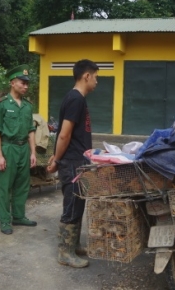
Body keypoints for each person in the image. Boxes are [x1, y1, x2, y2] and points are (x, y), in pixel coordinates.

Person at [47, 59, 99, 268]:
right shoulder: (75, 99)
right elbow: (64, 135)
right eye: (95, 77)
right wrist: (57, 160)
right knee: (71, 205)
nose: (97, 81)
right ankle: (64, 253)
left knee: (78, 203)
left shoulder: (77, 99)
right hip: (72, 163)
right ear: (86, 76)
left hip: (79, 160)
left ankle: (74, 245)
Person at [0, 64, 37, 235]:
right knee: (5, 186)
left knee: (22, 185)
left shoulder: (27, 106)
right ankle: (4, 220)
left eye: (27, 83)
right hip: (8, 148)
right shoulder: (1, 104)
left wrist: (33, 152)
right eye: (22, 83)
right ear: (12, 82)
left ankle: (18, 216)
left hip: (23, 148)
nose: (25, 86)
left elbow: (31, 130)